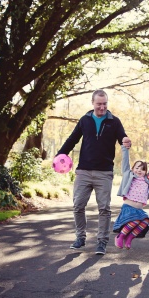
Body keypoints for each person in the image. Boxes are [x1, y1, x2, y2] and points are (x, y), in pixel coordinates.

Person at [56, 89, 131, 255]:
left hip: (104, 173)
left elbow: (122, 139)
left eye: (105, 104)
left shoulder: (114, 122)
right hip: (83, 170)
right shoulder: (85, 120)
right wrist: (60, 155)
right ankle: (80, 237)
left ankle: (102, 242)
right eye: (99, 104)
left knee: (104, 208)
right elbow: (72, 139)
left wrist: (126, 141)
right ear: (93, 103)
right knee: (78, 205)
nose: (102, 107)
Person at [113, 146, 149, 250]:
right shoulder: (129, 175)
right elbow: (125, 162)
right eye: (137, 168)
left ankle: (129, 237)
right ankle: (120, 236)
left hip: (139, 209)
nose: (139, 170)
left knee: (146, 221)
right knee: (136, 221)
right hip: (128, 208)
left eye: (142, 169)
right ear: (133, 169)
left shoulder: (147, 179)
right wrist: (125, 149)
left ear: (145, 172)